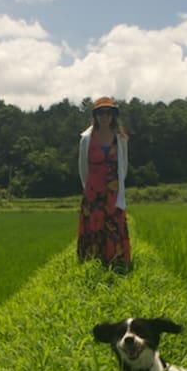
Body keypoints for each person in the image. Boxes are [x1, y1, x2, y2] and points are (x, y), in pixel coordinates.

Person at [76, 96, 132, 270]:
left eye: (108, 112)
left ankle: (116, 263)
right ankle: (92, 264)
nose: (104, 116)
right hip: (93, 193)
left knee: (113, 227)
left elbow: (124, 166)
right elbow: (82, 168)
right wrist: (90, 189)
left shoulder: (120, 139)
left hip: (113, 192)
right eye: (101, 112)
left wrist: (115, 187)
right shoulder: (86, 139)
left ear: (113, 115)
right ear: (95, 115)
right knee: (93, 228)